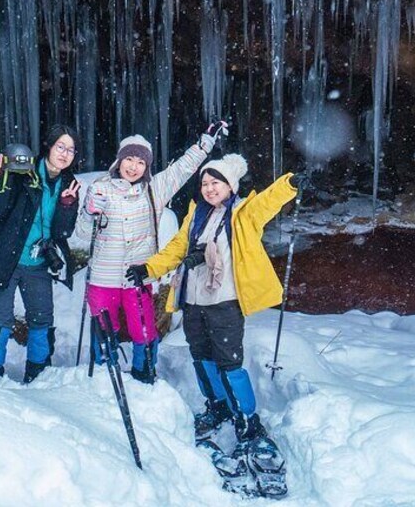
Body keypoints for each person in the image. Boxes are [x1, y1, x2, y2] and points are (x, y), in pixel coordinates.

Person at [126, 154, 307, 448]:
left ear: (230, 185)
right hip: (193, 301)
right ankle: (218, 405)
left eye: (216, 182)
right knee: (201, 356)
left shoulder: (242, 214)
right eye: (205, 183)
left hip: (225, 302)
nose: (210, 188)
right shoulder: (196, 214)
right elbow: (176, 249)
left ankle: (247, 419)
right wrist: (147, 269)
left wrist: (290, 184)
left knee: (229, 361)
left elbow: (267, 201)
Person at [77, 126, 224, 384]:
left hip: (137, 275)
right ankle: (102, 376)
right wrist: (89, 212)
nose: (134, 167)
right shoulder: (100, 188)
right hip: (103, 275)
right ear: (120, 160)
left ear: (147, 166)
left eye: (141, 161)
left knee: (143, 329)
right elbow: (81, 232)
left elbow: (182, 168)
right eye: (130, 159)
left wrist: (205, 144)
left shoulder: (155, 189)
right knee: (103, 328)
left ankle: (144, 373)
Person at [0, 125, 81, 383]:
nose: (65, 154)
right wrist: (2, 176)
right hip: (5, 259)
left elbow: (62, 232)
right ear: (49, 146)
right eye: (60, 147)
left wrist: (66, 206)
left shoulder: (69, 184)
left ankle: (38, 374)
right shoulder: (24, 170)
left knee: (42, 319)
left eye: (71, 150)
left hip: (38, 262)